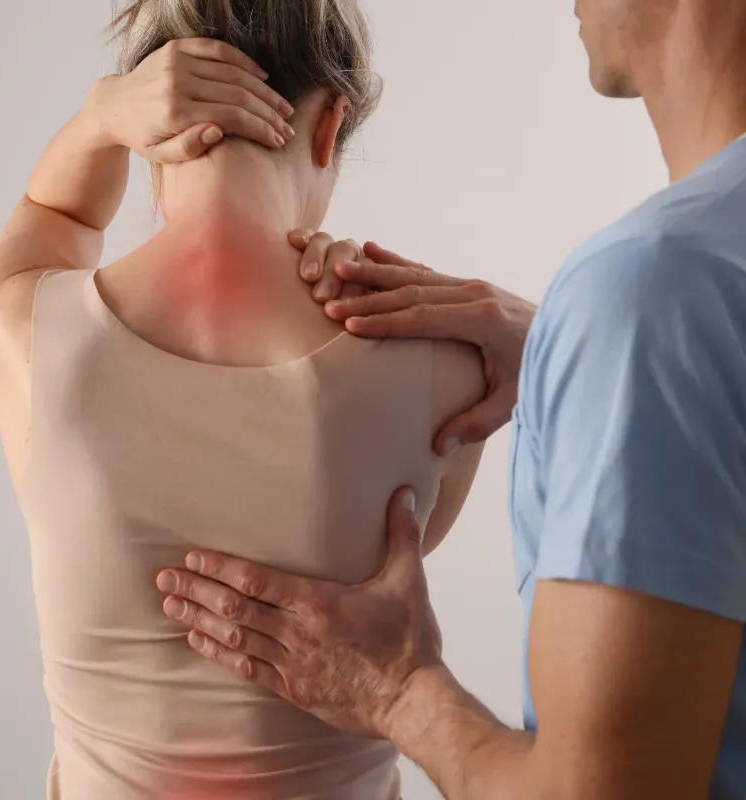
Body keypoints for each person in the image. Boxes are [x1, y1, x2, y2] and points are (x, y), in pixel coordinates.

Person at [156, 1, 746, 798]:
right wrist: (575, 357)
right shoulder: (678, 297)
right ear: (330, 129)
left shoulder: (657, 291)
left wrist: (398, 692)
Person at [0, 1, 486, 798]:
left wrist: (97, 117)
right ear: (329, 125)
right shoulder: (453, 365)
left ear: (147, 138)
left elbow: (54, 213)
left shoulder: (23, 328)